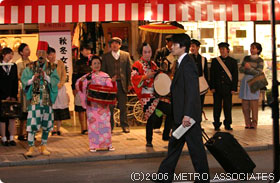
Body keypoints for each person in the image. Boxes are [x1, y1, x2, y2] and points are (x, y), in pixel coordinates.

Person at [155, 34, 209, 183]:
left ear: (183, 47)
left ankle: (203, 179)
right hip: (181, 116)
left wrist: (187, 115)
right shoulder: (181, 62)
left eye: (175, 45)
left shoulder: (188, 63)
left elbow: (192, 91)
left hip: (187, 117)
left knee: (196, 149)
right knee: (174, 146)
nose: (172, 47)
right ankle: (163, 176)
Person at [21, 41, 59, 156]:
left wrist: (46, 77)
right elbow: (24, 82)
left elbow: (55, 81)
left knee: (46, 123)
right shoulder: (30, 67)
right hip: (35, 98)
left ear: (47, 54)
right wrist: (33, 79)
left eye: (43, 52)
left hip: (47, 99)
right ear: (36, 53)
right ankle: (31, 146)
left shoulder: (52, 67)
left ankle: (43, 145)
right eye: (39, 52)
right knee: (32, 123)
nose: (41, 55)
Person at [131, 43, 172, 147]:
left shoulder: (153, 64)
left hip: (156, 95)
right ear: (141, 53)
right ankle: (149, 140)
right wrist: (145, 76)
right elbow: (134, 79)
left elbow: (159, 76)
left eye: (149, 52)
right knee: (151, 117)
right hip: (146, 96)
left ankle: (166, 134)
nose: (148, 54)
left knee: (171, 110)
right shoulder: (137, 64)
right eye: (145, 52)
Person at [76, 55, 116, 152]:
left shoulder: (105, 76)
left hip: (103, 105)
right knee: (93, 125)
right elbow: (79, 85)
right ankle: (93, 145)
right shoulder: (88, 76)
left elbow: (111, 88)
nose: (97, 65)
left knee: (106, 124)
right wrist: (83, 83)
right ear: (91, 65)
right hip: (92, 105)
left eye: (98, 63)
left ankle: (108, 144)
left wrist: (113, 82)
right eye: (94, 63)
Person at [101, 37, 132, 133]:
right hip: (110, 85)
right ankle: (110, 126)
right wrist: (107, 82)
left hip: (122, 84)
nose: (114, 45)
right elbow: (103, 72)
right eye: (112, 43)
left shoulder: (126, 55)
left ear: (120, 45)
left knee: (123, 106)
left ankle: (125, 125)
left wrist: (129, 83)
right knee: (110, 107)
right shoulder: (106, 56)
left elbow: (129, 70)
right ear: (110, 45)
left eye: (116, 43)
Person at [210, 42, 238, 131]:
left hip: (228, 88)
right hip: (217, 88)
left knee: (227, 107)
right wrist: (212, 87)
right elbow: (212, 75)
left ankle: (228, 124)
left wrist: (234, 88)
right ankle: (216, 124)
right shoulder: (215, 61)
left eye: (223, 49)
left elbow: (235, 76)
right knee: (217, 107)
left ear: (228, 50)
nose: (222, 51)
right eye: (220, 49)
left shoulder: (233, 61)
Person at [239, 42, 264, 129]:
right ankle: (247, 122)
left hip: (254, 81)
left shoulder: (260, 60)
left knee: (254, 104)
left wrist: (249, 68)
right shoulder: (246, 58)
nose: (251, 50)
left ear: (258, 50)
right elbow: (241, 69)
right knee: (245, 104)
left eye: (253, 48)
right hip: (245, 82)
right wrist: (246, 68)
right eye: (251, 48)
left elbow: (258, 72)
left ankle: (254, 122)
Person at [47, 47, 70, 135]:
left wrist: (61, 83)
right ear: (47, 56)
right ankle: (52, 128)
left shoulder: (60, 63)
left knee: (60, 108)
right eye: (50, 54)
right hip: (50, 89)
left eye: (53, 54)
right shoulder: (46, 65)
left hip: (60, 88)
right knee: (52, 109)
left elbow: (64, 75)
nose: (52, 56)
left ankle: (59, 128)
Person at [0, 47, 18, 146]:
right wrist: (4, 96)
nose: (10, 56)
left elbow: (15, 81)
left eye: (11, 54)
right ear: (3, 54)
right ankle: (3, 138)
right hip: (1, 96)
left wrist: (13, 95)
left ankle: (12, 138)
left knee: (12, 117)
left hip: (12, 96)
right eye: (8, 54)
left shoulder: (13, 66)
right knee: (2, 117)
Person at [72, 44, 92, 134]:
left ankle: (89, 127)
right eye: (85, 50)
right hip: (80, 87)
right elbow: (74, 75)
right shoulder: (78, 62)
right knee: (81, 108)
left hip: (91, 87)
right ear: (81, 51)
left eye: (89, 50)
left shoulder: (93, 61)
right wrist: (73, 88)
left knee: (89, 108)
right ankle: (83, 128)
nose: (87, 52)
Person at [16, 43, 32, 141]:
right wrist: (25, 78)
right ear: (21, 52)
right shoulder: (18, 63)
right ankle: (21, 132)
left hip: (31, 88)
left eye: (28, 49)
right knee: (22, 111)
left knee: (30, 111)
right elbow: (17, 76)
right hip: (22, 88)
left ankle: (29, 132)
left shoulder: (32, 62)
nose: (28, 51)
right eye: (26, 49)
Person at [190, 39, 209, 116]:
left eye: (193, 46)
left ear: (198, 48)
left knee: (200, 104)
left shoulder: (203, 59)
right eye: (191, 46)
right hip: (190, 85)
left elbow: (206, 73)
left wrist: (207, 85)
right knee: (191, 105)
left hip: (201, 85)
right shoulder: (187, 58)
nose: (192, 48)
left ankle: (198, 123)